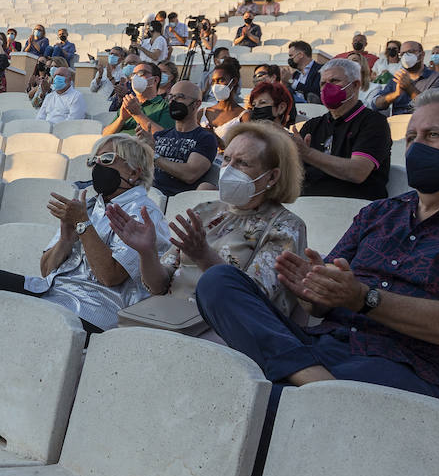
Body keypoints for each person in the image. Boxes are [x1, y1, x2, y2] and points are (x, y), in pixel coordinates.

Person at [201, 89, 439, 404]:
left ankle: (302, 387)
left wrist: (363, 298)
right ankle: (321, 389)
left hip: (406, 370)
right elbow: (320, 305)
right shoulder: (378, 212)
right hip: (320, 349)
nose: (418, 147)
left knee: (249, 401)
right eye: (411, 137)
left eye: (433, 136)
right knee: (219, 282)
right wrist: (311, 288)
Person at [110, 121, 308, 324]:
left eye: (243, 163)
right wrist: (147, 252)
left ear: (272, 176)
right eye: (227, 159)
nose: (229, 169)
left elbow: (253, 302)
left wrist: (205, 257)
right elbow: (158, 285)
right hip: (172, 319)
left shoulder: (286, 227)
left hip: (226, 329)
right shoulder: (204, 211)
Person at [0, 134, 168, 331]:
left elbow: (110, 277)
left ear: (134, 172)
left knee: (25, 317)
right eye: (94, 161)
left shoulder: (143, 214)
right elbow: (46, 270)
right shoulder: (89, 206)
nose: (98, 166)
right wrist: (66, 240)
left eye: (107, 159)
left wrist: (83, 224)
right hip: (54, 292)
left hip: (93, 308)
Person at [295, 57, 391, 200]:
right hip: (310, 208)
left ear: (355, 85)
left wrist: (308, 154)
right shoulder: (312, 126)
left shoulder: (374, 123)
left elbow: (358, 172)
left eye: (334, 81)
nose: (327, 88)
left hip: (355, 210)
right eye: (322, 84)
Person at [151, 82, 218, 197]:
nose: (173, 101)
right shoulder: (160, 135)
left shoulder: (205, 138)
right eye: (171, 97)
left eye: (180, 97)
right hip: (151, 196)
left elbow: (190, 175)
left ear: (196, 104)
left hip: (181, 201)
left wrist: (153, 156)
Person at [371, 40, 439, 115]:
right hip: (397, 122)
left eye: (410, 52)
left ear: (422, 55)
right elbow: (375, 104)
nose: (406, 56)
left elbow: (432, 109)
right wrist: (395, 95)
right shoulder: (397, 78)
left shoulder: (436, 79)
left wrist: (409, 88)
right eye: (403, 54)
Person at [102, 62, 173, 136]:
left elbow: (165, 137)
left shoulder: (165, 106)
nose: (135, 77)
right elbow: (105, 135)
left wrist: (137, 114)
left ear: (155, 80)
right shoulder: (128, 103)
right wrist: (121, 119)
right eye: (133, 74)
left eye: (141, 73)